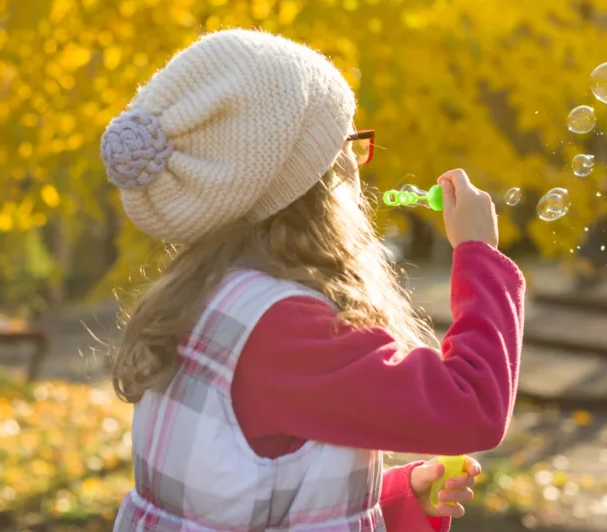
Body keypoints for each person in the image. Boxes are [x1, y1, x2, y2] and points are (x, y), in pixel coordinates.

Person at [101, 29, 526, 532]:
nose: (358, 164)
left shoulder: (207, 297)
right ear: (316, 186)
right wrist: (479, 253)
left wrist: (395, 494)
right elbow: (472, 407)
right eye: (349, 143)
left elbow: (246, 500)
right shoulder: (287, 329)